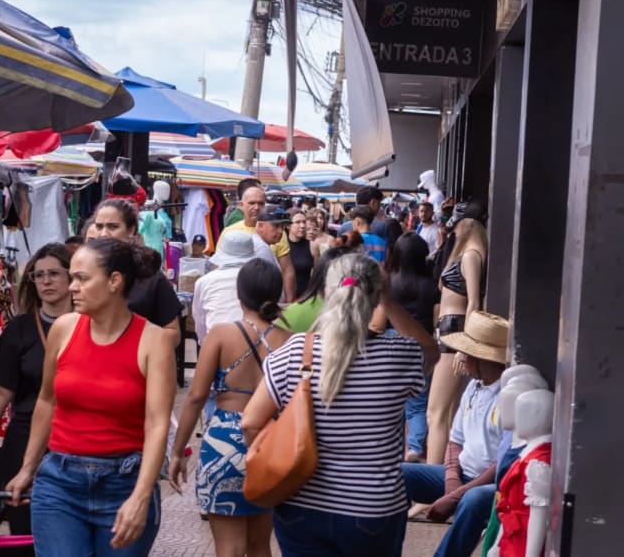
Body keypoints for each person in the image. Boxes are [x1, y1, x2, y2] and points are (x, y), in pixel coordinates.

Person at [242, 254, 438, 557]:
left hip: (301, 503)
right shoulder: (400, 354)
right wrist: (390, 301)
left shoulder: (296, 351)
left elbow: (250, 423)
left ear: (325, 294)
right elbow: (431, 351)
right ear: (375, 298)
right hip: (373, 508)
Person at [5, 238, 176, 556]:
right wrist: (28, 467)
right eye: (72, 277)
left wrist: (140, 497)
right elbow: (46, 400)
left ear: (114, 281)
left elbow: (157, 424)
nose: (72, 287)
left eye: (82, 278)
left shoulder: (155, 341)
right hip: (59, 483)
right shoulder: (64, 329)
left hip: (124, 482)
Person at [169, 260, 290, 557]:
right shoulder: (288, 339)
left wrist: (178, 451)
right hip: (269, 445)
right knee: (261, 546)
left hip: (224, 443)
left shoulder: (222, 335)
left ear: (239, 294)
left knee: (229, 549)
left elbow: (196, 397)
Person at [0, 243, 74, 536]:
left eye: (54, 273)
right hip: (25, 436)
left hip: (76, 437)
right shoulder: (19, 329)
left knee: (70, 527)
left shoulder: (91, 325)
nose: (45, 281)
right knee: (25, 525)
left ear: (71, 278)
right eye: (38, 275)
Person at [403, 312, 509, 557]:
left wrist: (456, 495)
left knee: (472, 500)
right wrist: (452, 482)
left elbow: (502, 463)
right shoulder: (474, 385)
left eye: (468, 352)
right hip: (460, 475)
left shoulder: (507, 395)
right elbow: (455, 440)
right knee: (398, 475)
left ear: (484, 359)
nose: (461, 357)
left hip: (492, 484)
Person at [426, 211, 488, 467]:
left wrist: (466, 345)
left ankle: (428, 486)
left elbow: (474, 300)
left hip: (456, 331)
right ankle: (440, 478)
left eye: (457, 222)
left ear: (468, 223)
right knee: (446, 413)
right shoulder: (465, 253)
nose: (453, 228)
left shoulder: (472, 255)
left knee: (436, 412)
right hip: (450, 330)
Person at [91, 200, 182, 339]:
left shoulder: (149, 276)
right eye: (99, 226)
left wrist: (138, 343)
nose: (104, 233)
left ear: (131, 230)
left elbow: (173, 333)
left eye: (113, 227)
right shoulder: (84, 274)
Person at [391, 233, 441, 463]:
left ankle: (394, 446)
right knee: (418, 404)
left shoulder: (391, 284)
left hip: (393, 346)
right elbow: (437, 318)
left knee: (394, 402)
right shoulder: (430, 287)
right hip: (422, 347)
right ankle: (414, 448)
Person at [219, 180, 296, 306]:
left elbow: (287, 269)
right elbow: (219, 266)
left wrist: (288, 304)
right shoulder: (230, 233)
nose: (256, 207)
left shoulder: (274, 237)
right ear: (241, 205)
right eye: (251, 203)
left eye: (260, 203)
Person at [192, 232, 256, 347]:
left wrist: (205, 344)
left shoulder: (204, 281)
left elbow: (200, 321)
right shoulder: (258, 278)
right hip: (253, 345)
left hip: (216, 346)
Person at [286, 210, 313, 301]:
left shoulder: (312, 245)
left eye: (304, 222)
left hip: (305, 298)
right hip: (285, 298)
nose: (302, 226)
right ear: (288, 225)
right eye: (298, 222)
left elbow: (317, 274)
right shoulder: (281, 246)